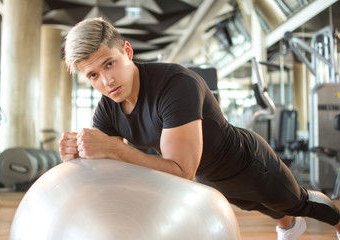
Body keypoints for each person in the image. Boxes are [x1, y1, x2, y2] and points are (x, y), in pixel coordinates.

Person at [59, 17, 340, 240]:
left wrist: (114, 149)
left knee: (297, 203)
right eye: (93, 75)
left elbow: (182, 171)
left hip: (249, 164)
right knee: (259, 206)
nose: (106, 81)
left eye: (110, 64)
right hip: (211, 179)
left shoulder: (176, 84)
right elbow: (106, 170)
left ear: (128, 52)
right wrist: (78, 156)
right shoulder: (107, 109)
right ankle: (289, 227)